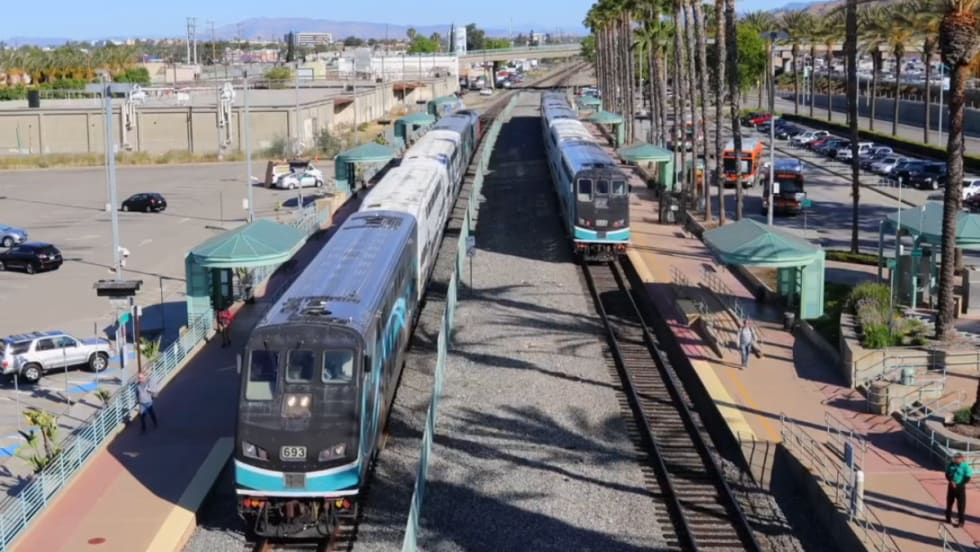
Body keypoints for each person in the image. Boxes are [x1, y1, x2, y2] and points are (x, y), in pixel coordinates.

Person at [946, 452, 973, 527]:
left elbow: (968, 477)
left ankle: (961, 522)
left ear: (961, 459)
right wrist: (951, 481)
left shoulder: (965, 466)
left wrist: (960, 484)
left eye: (957, 458)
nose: (955, 460)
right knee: (949, 503)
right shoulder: (951, 464)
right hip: (951, 486)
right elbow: (947, 474)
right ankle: (948, 518)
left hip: (960, 487)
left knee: (961, 505)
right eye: (954, 458)